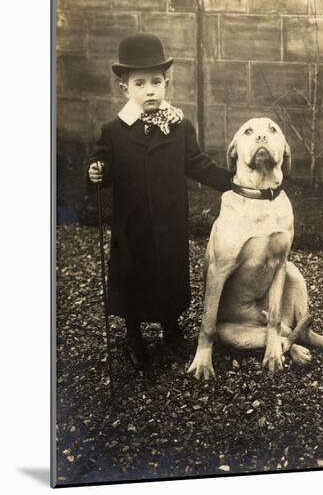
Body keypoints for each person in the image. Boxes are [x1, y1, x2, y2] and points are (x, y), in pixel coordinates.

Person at [87, 32, 231, 370]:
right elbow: (102, 161)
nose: (150, 89)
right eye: (140, 83)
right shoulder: (115, 129)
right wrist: (96, 171)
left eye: (156, 81)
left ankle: (170, 328)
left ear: (166, 83)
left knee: (169, 273)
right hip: (132, 221)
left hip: (169, 218)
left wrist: (230, 181)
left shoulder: (179, 126)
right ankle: (133, 335)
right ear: (126, 89)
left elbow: (196, 163)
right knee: (132, 277)